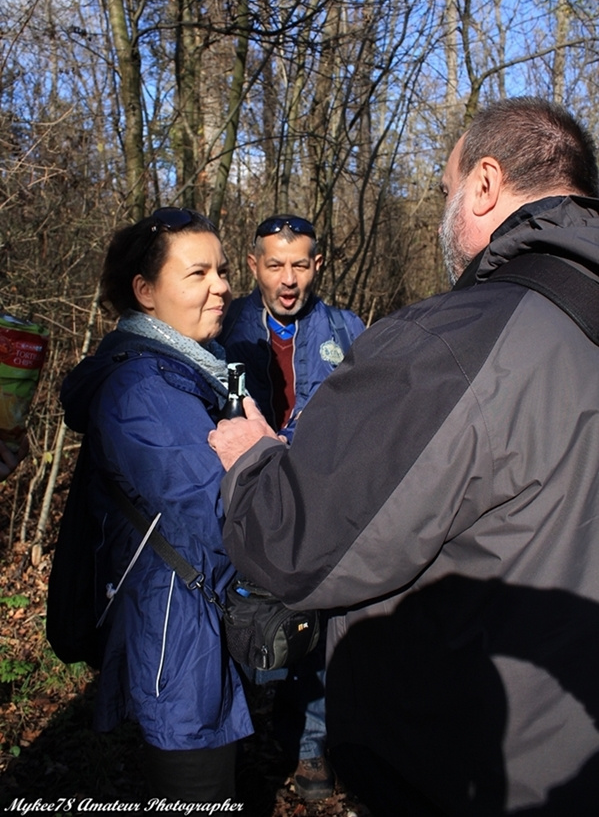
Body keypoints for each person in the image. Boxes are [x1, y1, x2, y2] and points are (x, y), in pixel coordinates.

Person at [209, 98, 599, 815]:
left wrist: (251, 462)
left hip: (474, 768)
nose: (442, 212)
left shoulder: (448, 344)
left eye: (447, 188)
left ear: (484, 182)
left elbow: (296, 542)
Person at [60, 208, 252, 802]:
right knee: (199, 788)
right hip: (176, 635)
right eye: (198, 274)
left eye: (220, 271)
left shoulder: (188, 375)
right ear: (145, 291)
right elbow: (223, 521)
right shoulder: (144, 389)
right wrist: (270, 459)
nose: (221, 285)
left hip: (190, 622)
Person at [218, 214, 364, 801]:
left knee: (315, 622)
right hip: (240, 500)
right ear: (253, 264)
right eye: (274, 264)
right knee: (236, 617)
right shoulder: (223, 328)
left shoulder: (347, 329)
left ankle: (309, 743)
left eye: (299, 264)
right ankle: (234, 735)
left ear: (317, 266)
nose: (287, 279)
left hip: (315, 504)